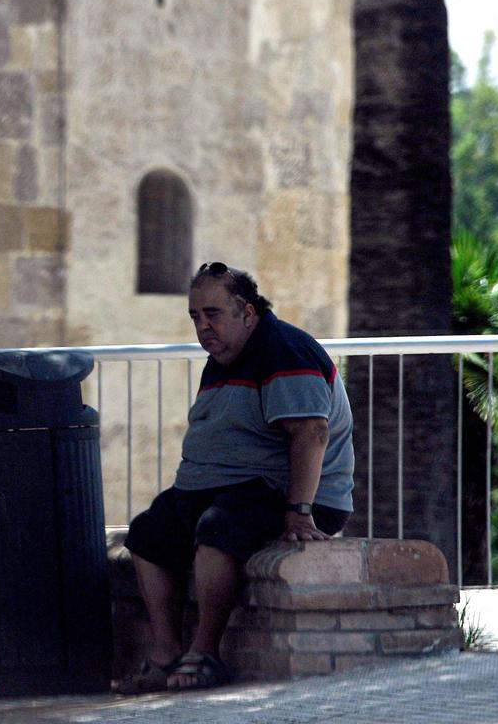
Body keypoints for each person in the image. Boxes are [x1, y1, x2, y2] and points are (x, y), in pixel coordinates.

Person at [118, 262, 354, 693]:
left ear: (247, 312)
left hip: (286, 493)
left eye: (213, 314)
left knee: (218, 529)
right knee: (147, 533)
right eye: (195, 317)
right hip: (224, 487)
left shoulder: (283, 349)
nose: (203, 326)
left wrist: (299, 513)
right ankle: (165, 653)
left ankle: (205, 652)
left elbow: (311, 432)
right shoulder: (225, 354)